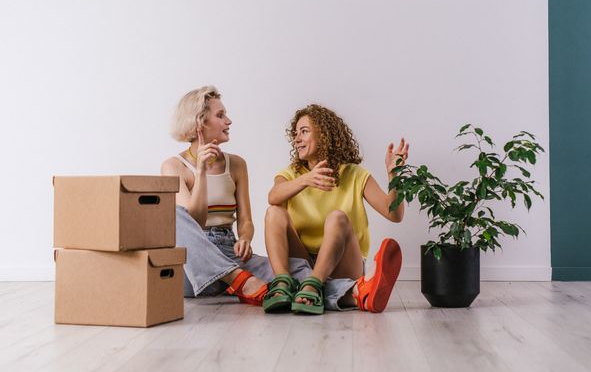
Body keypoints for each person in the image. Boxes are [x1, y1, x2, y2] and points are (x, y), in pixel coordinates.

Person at [161, 86, 310, 305]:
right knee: (174, 214)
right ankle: (236, 280)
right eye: (220, 116)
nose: (228, 121)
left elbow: (246, 221)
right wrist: (201, 171)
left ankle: (354, 292)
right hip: (194, 265)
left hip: (231, 253)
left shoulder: (237, 164)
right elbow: (194, 222)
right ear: (199, 122)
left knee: (297, 268)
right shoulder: (174, 166)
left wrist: (245, 238)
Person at [263, 104, 408, 314]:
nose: (297, 139)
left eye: (304, 131)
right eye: (295, 134)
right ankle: (286, 286)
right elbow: (273, 197)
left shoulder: (355, 174)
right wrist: (306, 180)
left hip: (344, 264)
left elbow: (394, 214)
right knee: (274, 212)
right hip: (305, 260)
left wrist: (394, 175)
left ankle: (314, 285)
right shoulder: (291, 175)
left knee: (337, 217)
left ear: (324, 134)